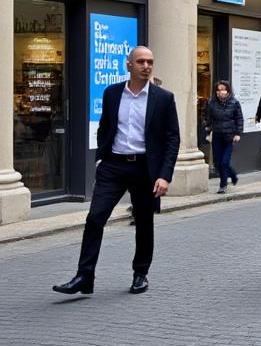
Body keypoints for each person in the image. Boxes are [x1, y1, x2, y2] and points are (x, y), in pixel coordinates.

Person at [54, 46, 179, 295]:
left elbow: (172, 138)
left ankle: (140, 273)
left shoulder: (163, 98)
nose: (146, 66)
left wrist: (164, 175)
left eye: (150, 62)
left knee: (144, 222)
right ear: (129, 65)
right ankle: (84, 276)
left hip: (145, 168)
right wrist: (101, 159)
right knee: (95, 218)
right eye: (141, 61)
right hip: (114, 166)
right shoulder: (112, 93)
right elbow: (104, 128)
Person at [203, 79, 243, 193]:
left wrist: (237, 134)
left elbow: (239, 119)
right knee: (217, 163)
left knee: (224, 162)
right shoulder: (212, 103)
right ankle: (233, 175)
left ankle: (223, 185)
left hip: (229, 136)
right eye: (219, 90)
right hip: (217, 135)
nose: (221, 92)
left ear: (228, 91)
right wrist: (207, 130)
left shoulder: (234, 103)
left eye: (223, 89)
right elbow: (208, 119)